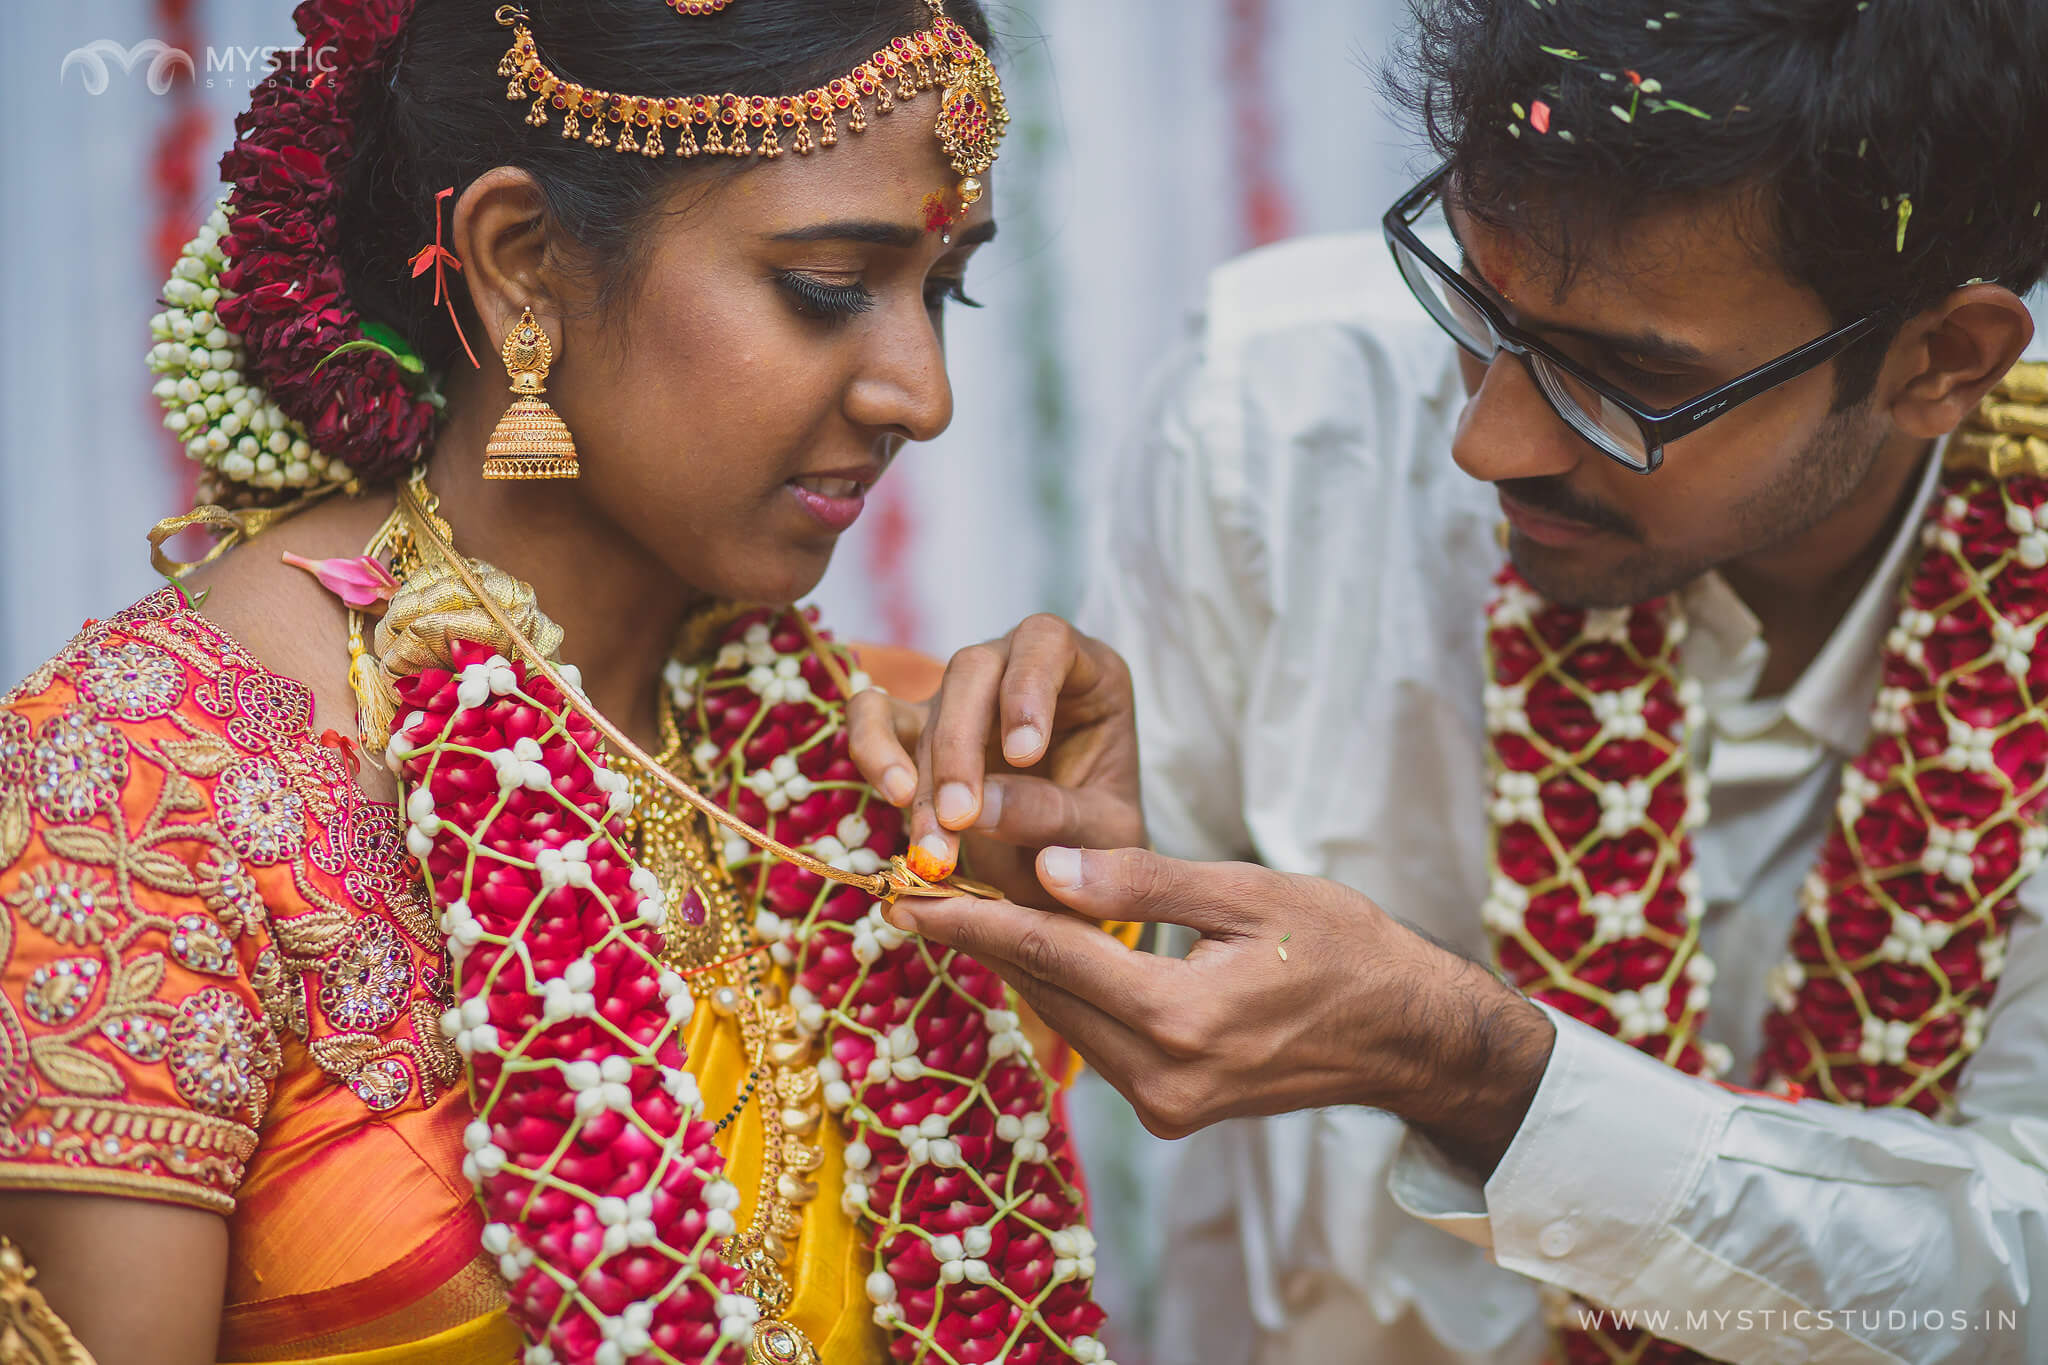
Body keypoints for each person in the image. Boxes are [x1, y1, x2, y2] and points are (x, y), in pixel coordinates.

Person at [855, 0, 2048, 1361]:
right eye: (1478, 302)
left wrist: (1476, 1071)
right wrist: (1083, 870)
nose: (1487, 441)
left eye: (1628, 378)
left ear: (1941, 363)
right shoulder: (1284, 420)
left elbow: (2016, 1280)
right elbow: (1113, 942)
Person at [0, 2, 1125, 1363]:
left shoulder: (881, 757)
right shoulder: (150, 788)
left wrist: (1058, 890)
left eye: (943, 291)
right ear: (520, 263)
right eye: (830, 285)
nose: (921, 392)